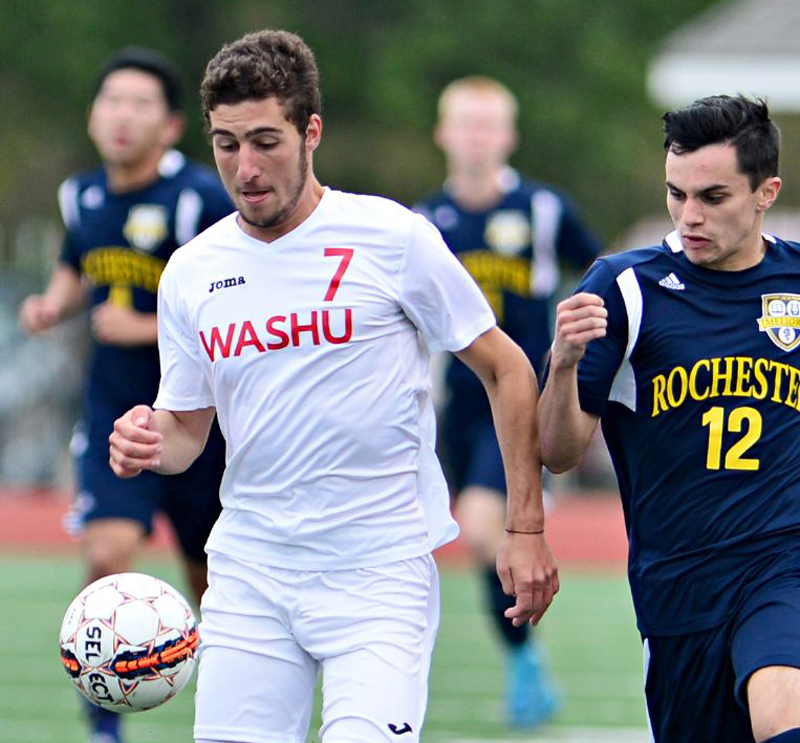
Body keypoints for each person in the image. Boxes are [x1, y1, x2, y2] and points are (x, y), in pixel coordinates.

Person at [107, 29, 559, 743]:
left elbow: (506, 367)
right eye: (226, 144)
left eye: (265, 141)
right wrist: (144, 439)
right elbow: (186, 431)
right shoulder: (192, 270)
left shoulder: (392, 237)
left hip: (378, 573)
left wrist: (525, 526)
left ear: (310, 131)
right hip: (251, 570)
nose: (245, 167)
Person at [538, 94, 800, 743]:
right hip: (678, 588)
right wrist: (565, 363)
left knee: (784, 714)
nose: (690, 215)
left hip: (783, 564)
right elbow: (559, 450)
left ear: (767, 191)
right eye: (676, 194)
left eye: (713, 197)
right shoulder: (625, 286)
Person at [18, 47, 232, 743]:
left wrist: (142, 324)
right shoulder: (79, 195)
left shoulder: (200, 196)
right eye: (111, 101)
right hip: (115, 414)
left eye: (140, 104)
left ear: (170, 125)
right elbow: (74, 263)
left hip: (198, 420)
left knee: (212, 583)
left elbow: (228, 298)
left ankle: (231, 706)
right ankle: (103, 720)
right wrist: (54, 303)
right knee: (107, 555)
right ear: (92, 116)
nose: (122, 115)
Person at [415, 75, 601, 727]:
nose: (476, 135)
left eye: (489, 123)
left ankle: (526, 663)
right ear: (442, 133)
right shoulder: (421, 223)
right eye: (464, 122)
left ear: (509, 136)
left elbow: (603, 272)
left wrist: (583, 366)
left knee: (479, 525)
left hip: (519, 396)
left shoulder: (543, 210)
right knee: (475, 541)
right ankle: (523, 655)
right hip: (454, 407)